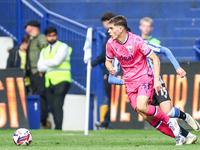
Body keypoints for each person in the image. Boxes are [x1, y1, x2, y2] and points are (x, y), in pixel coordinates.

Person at [105, 15, 182, 144]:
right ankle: (179, 136)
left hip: (144, 78)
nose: (109, 31)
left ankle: (171, 121)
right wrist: (110, 68)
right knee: (144, 113)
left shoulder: (137, 41)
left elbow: (156, 58)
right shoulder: (110, 44)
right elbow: (108, 61)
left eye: (111, 28)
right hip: (130, 83)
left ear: (120, 29)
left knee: (144, 106)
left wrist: (157, 80)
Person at [108, 40, 199, 145]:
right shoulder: (118, 54)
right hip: (139, 89)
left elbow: (165, 50)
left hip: (155, 84)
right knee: (148, 117)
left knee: (167, 112)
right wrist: (126, 81)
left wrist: (177, 67)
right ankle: (187, 136)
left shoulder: (140, 44)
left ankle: (185, 117)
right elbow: (111, 79)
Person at [37, 27, 72, 130]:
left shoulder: (63, 46)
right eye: (49, 36)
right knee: (52, 107)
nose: (52, 38)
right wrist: (50, 63)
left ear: (56, 36)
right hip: (49, 81)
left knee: (57, 105)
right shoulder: (44, 50)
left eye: (53, 35)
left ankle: (58, 128)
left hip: (62, 80)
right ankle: (57, 127)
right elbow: (39, 67)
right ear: (46, 37)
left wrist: (45, 63)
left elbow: (57, 61)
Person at [93, 12, 116, 128]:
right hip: (114, 70)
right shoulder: (111, 36)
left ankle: (106, 122)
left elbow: (106, 55)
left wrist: (93, 63)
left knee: (113, 97)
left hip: (113, 72)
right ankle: (106, 122)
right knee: (112, 98)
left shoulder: (111, 36)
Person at [24, 20, 48, 129]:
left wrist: (41, 70)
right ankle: (37, 120)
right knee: (36, 96)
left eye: (27, 27)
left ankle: (42, 121)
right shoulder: (32, 39)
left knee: (40, 96)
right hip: (33, 73)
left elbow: (46, 53)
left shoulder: (41, 38)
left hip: (39, 73)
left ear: (32, 27)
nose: (25, 29)